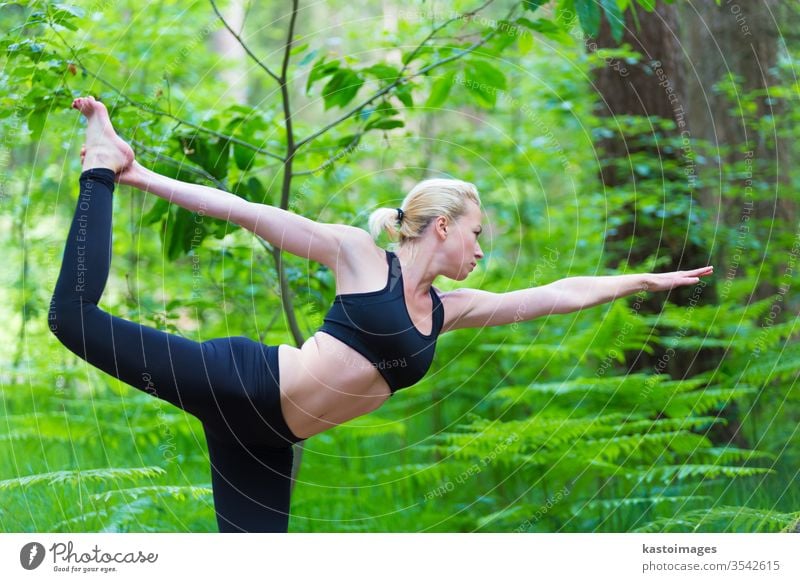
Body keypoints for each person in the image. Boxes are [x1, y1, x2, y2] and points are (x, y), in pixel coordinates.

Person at [49, 95, 714, 533]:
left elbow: (556, 295)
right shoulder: (360, 256)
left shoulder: (449, 312)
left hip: (265, 439)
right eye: (477, 233)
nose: (482, 249)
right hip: (241, 381)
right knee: (71, 319)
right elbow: (245, 211)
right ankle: (101, 168)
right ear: (444, 228)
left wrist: (644, 279)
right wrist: (137, 178)